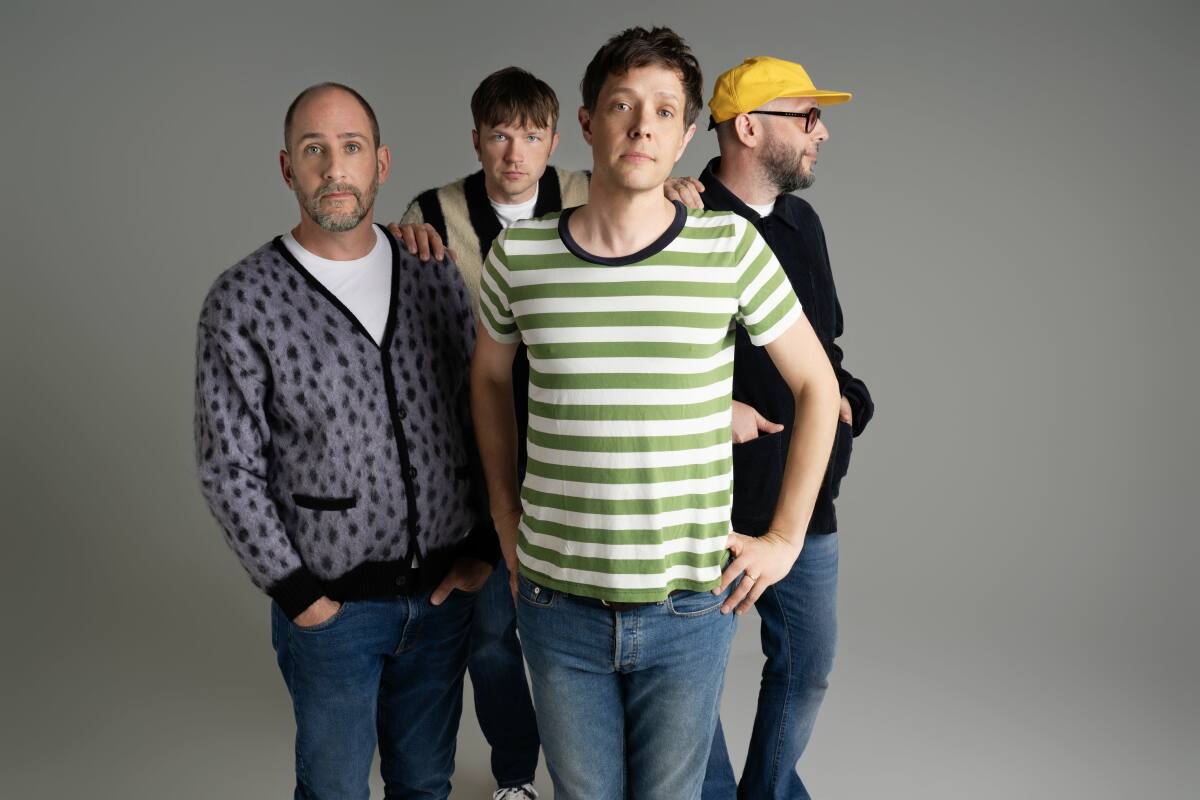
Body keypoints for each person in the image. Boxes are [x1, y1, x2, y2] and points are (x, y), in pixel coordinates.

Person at [469, 27, 841, 800]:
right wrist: (504, 513)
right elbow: (490, 380)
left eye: (665, 111)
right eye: (623, 105)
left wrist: (784, 538)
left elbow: (816, 385)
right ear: (587, 122)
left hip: (688, 607)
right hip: (556, 601)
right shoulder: (521, 257)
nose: (642, 125)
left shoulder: (729, 248)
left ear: (685, 135)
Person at [385, 65, 704, 800]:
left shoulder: (593, 187)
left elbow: (651, 223)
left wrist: (678, 191)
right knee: (494, 631)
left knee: (615, 630)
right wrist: (400, 240)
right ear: (476, 140)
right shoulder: (432, 213)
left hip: (583, 443)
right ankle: (515, 772)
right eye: (499, 136)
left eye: (531, 137)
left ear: (558, 140)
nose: (514, 153)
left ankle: (629, 766)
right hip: (487, 446)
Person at [194, 82, 498, 800]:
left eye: (351, 147)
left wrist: (485, 545)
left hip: (441, 601)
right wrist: (300, 596)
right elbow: (228, 466)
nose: (335, 167)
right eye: (314, 150)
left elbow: (479, 412)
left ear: (381, 164)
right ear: (287, 168)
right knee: (333, 790)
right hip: (331, 612)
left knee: (424, 783)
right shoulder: (243, 299)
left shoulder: (433, 273)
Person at [696, 56, 876, 800]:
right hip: (708, 504)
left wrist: (850, 401)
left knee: (808, 666)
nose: (821, 133)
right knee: (689, 679)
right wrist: (716, 413)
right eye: (807, 117)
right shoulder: (682, 221)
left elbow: (825, 348)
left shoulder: (804, 223)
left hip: (803, 499)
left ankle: (765, 793)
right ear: (747, 127)